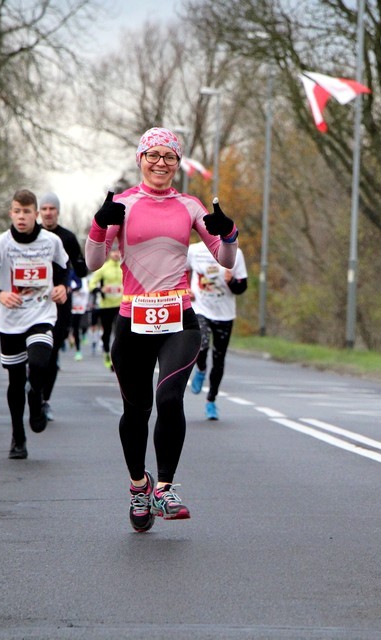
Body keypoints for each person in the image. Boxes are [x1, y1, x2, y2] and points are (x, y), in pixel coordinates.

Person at [85, 126, 238, 533]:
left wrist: (230, 233)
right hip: (133, 318)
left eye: (168, 156)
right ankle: (139, 486)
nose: (160, 163)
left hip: (178, 317)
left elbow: (223, 257)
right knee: (136, 411)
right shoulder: (123, 204)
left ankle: (165, 488)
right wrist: (99, 227)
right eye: (152, 155)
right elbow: (92, 263)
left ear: (176, 163)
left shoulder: (189, 205)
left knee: (169, 398)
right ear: (140, 160)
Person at [0, 189, 69, 459]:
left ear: (36, 214)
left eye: (27, 212)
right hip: (11, 321)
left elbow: (64, 269)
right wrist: (0, 294)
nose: (21, 217)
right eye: (17, 211)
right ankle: (18, 436)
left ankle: (36, 398)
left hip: (41, 315)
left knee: (40, 363)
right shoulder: (0, 245)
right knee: (15, 381)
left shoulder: (50, 242)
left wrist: (62, 287)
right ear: (11, 213)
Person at [37, 192, 88, 422]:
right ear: (39, 212)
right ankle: (33, 388)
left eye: (52, 209)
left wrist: (68, 284)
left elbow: (80, 271)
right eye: (44, 208)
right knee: (34, 355)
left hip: (60, 306)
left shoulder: (67, 238)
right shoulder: (30, 236)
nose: (48, 212)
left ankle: (44, 400)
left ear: (58, 211)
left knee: (52, 355)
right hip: (33, 305)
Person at [187, 241, 248, 420]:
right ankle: (201, 368)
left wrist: (231, 281)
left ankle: (211, 400)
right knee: (201, 344)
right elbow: (179, 270)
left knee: (219, 357)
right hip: (200, 308)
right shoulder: (194, 250)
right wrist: (184, 288)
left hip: (224, 313)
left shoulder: (236, 253)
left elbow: (242, 286)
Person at [88, 245, 123, 369]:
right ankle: (107, 355)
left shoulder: (123, 267)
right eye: (113, 252)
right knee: (107, 331)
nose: (116, 254)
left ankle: (118, 357)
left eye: (118, 251)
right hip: (106, 305)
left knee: (120, 332)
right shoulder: (103, 268)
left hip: (121, 305)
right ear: (109, 253)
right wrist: (100, 289)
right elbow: (91, 285)